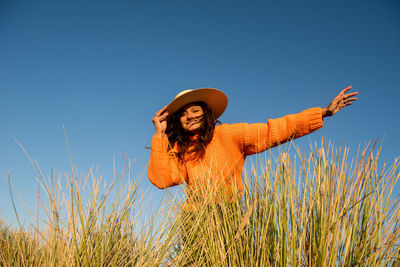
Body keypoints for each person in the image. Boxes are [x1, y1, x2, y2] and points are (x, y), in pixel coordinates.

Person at [148, 87, 358, 207]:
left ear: (206, 113)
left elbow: (274, 129)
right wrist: (159, 135)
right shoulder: (181, 149)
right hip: (193, 221)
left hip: (227, 216)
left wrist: (322, 113)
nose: (190, 117)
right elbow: (162, 179)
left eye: (194, 110)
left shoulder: (229, 134)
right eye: (183, 114)